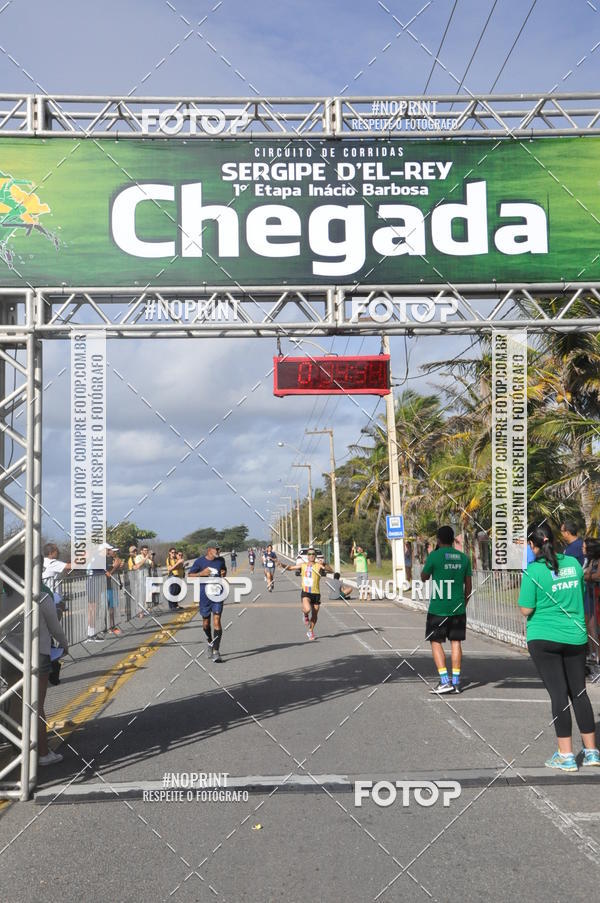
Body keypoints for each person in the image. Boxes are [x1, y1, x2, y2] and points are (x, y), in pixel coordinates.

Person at [519, 525, 599, 771]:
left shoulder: (533, 570)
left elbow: (526, 609)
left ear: (533, 546)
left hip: (544, 637)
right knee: (579, 693)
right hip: (574, 637)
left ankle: (565, 755)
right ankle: (592, 752)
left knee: (558, 695)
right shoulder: (574, 565)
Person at [1, 553, 69, 765]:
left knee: (15, 706)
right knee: (36, 706)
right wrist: (64, 645)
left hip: (9, 657)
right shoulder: (40, 597)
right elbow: (55, 627)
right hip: (37, 655)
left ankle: (17, 752)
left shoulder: (3, 599)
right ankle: (42, 753)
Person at [421, 525, 472, 694]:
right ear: (452, 540)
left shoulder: (434, 556)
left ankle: (444, 681)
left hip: (438, 608)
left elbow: (423, 577)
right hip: (458, 608)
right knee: (455, 642)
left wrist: (434, 559)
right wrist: (463, 604)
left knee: (435, 642)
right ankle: (456, 682)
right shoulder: (464, 558)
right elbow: (469, 586)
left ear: (438, 539)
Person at [280, 547, 333, 640]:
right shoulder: (303, 565)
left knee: (315, 614)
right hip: (306, 592)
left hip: (316, 593)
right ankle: (305, 614)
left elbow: (331, 570)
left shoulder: (318, 565)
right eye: (309, 554)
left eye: (313, 554)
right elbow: (291, 568)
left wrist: (324, 563)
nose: (311, 556)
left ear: (315, 556)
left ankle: (310, 631)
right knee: (307, 609)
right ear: (307, 556)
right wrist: (281, 564)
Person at [187, 541, 226, 663]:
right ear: (209, 549)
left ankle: (216, 651)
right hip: (204, 596)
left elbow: (224, 571)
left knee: (217, 620)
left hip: (218, 595)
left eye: (219, 549)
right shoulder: (199, 562)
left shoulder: (221, 561)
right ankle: (209, 641)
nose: (219, 551)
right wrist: (201, 573)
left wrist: (224, 574)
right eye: (217, 549)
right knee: (205, 623)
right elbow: (189, 576)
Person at [583, 537, 600, 670]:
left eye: (584, 546)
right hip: (589, 595)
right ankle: (593, 653)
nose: (582, 548)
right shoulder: (590, 561)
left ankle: (597, 654)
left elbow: (596, 575)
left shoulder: (598, 561)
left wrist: (588, 576)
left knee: (595, 627)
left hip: (596, 596)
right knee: (590, 626)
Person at [106, 549, 124, 634]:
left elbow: (118, 568)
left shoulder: (116, 559)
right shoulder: (106, 560)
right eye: (114, 551)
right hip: (106, 585)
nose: (115, 553)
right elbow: (108, 573)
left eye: (116, 551)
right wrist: (115, 567)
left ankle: (112, 626)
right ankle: (108, 627)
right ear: (109, 551)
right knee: (107, 606)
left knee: (112, 607)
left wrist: (119, 566)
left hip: (114, 585)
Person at [165, 547, 184, 611]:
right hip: (172, 576)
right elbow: (170, 568)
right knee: (173, 591)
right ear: (169, 553)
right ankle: (171, 606)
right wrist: (178, 563)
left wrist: (182, 564)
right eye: (172, 552)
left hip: (177, 576)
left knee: (177, 591)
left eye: (175, 552)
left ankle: (176, 605)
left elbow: (178, 568)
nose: (174, 554)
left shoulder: (176, 559)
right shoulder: (169, 559)